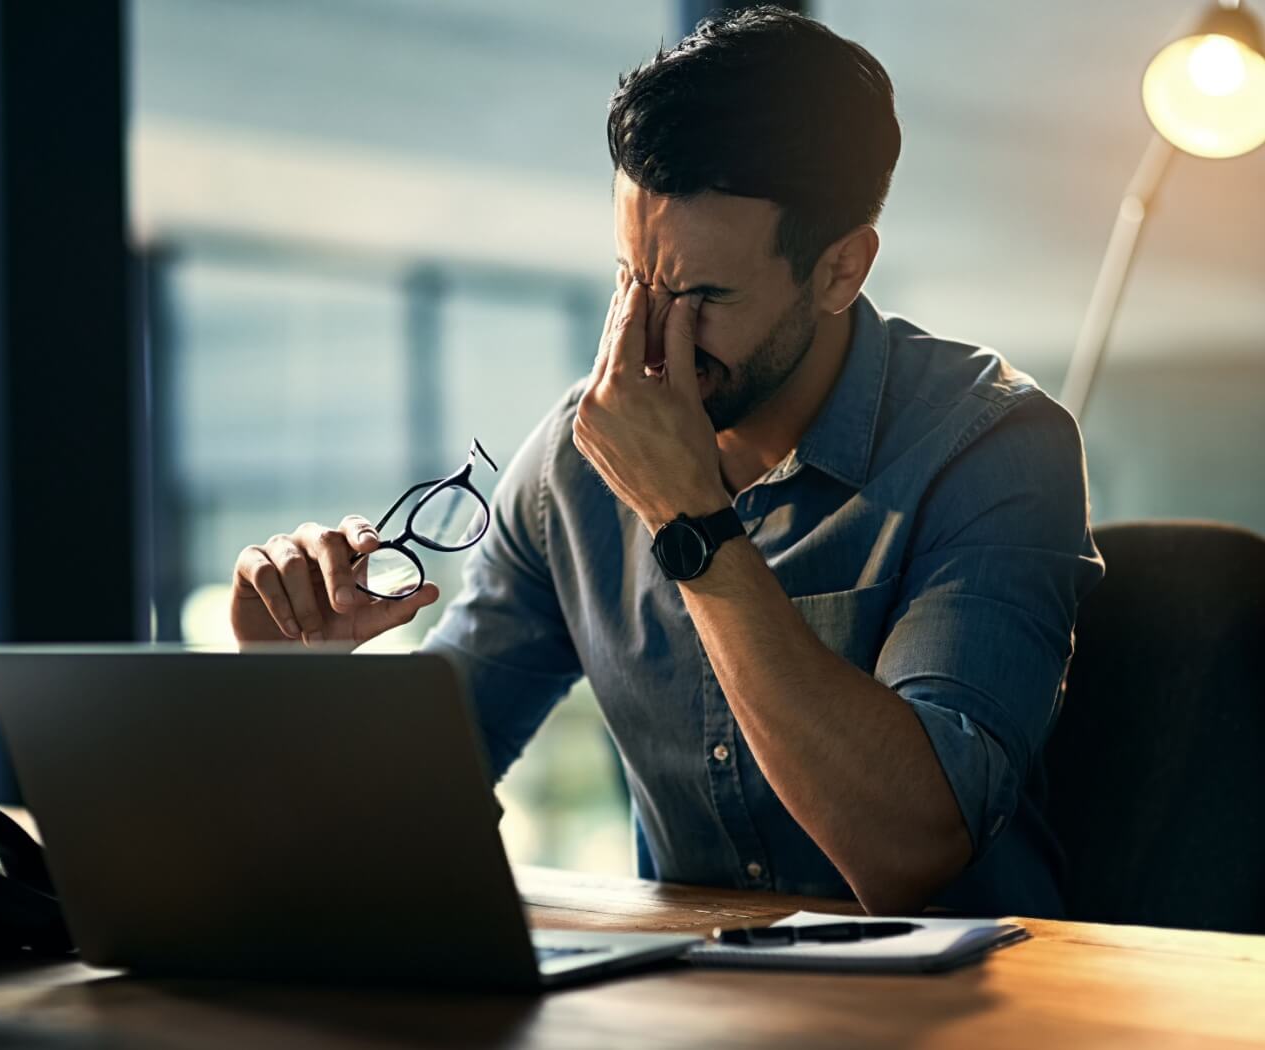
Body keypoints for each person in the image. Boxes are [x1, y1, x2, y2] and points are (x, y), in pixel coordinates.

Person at [229, 7, 1104, 918]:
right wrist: (301, 688)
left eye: (701, 297)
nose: (648, 342)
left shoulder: (995, 448)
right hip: (689, 1002)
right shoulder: (573, 467)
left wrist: (693, 524)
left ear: (841, 270)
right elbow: (409, 814)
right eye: (630, 280)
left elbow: (909, 849)